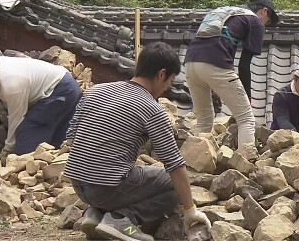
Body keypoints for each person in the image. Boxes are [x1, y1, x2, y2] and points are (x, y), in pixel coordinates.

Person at [63, 42, 210, 241]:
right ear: (161, 74)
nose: (167, 88)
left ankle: (95, 214)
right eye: (170, 81)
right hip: (106, 189)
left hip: (78, 183)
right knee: (174, 184)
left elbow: (71, 136)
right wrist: (191, 210)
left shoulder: (96, 91)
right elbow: (174, 165)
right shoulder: (151, 108)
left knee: (124, 174)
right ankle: (121, 219)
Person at [184, 0, 279, 153]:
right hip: (215, 63)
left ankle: (195, 162)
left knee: (204, 120)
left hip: (190, 62)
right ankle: (246, 164)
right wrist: (247, 97)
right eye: (267, 21)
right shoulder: (255, 21)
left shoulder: (229, 13)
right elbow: (244, 65)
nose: (265, 25)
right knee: (246, 118)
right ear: (264, 11)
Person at [0, 55, 81, 163]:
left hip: (62, 90)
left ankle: (23, 167)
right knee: (56, 136)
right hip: (63, 84)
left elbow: (16, 119)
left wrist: (7, 149)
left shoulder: (12, 87)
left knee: (27, 130)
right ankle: (53, 165)